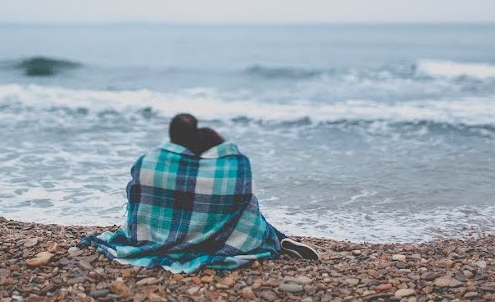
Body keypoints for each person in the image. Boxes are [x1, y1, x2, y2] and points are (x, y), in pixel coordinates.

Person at [80, 113, 319, 273]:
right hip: (217, 239)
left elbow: (135, 197)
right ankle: (280, 238)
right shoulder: (232, 167)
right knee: (245, 205)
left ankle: (279, 238)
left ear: (172, 135)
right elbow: (242, 199)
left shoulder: (149, 162)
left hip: (154, 236)